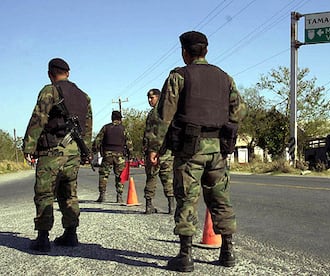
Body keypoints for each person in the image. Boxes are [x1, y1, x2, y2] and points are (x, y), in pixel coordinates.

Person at [148, 31, 246, 272]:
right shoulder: (225, 77)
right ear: (206, 50)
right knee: (221, 199)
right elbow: (240, 110)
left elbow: (163, 116)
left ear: (184, 52)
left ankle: (185, 255)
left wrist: (154, 148)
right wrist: (226, 129)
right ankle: (227, 252)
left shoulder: (178, 77)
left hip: (190, 151)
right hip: (218, 151)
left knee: (187, 200)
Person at [23, 58, 92, 252]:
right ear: (68, 73)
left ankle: (43, 239)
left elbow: (38, 119)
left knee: (45, 193)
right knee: (69, 193)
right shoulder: (84, 96)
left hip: (51, 151)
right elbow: (88, 126)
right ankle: (71, 234)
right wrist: (86, 150)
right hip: (74, 153)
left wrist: (29, 147)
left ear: (49, 74)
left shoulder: (50, 90)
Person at [142, 88, 174, 214]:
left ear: (159, 97)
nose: (150, 100)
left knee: (153, 178)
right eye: (148, 98)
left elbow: (156, 134)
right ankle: (170, 206)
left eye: (152, 97)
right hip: (166, 151)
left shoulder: (156, 113)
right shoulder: (166, 111)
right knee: (166, 178)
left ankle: (150, 205)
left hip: (156, 151)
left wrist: (152, 150)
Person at [92, 110, 133, 203]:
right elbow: (129, 143)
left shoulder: (106, 128)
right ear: (120, 119)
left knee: (104, 175)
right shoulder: (123, 129)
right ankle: (119, 196)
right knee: (119, 176)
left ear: (112, 118)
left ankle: (102, 196)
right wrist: (131, 155)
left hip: (107, 155)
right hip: (120, 156)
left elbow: (97, 141)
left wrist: (94, 151)